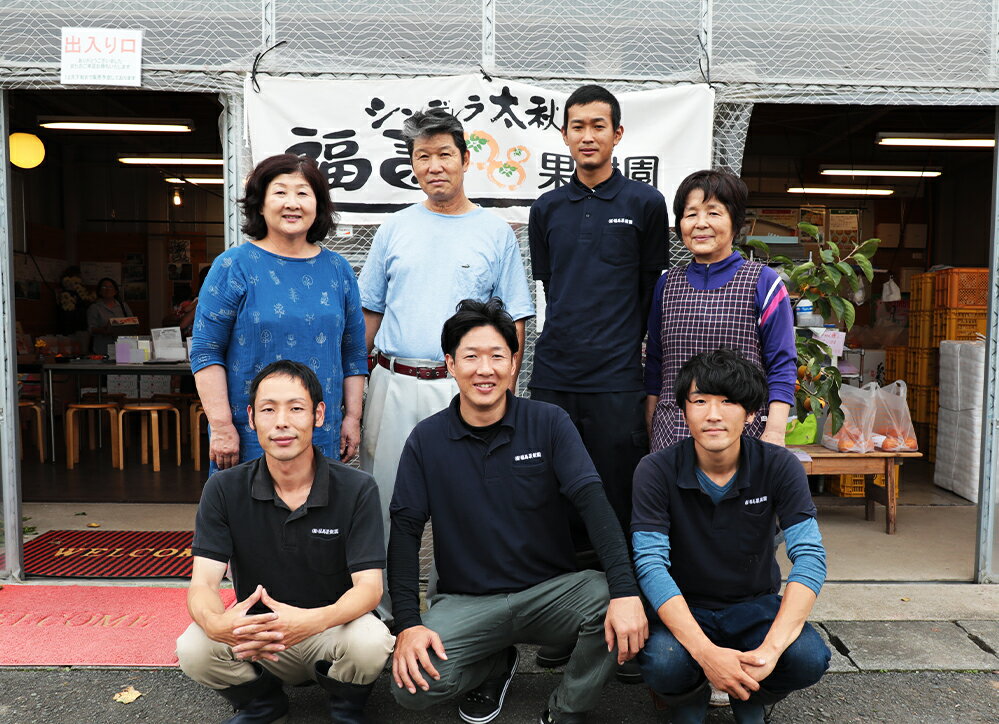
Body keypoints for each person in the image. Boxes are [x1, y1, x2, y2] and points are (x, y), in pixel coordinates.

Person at [388, 298, 647, 724]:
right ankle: (493, 664)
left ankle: (567, 708)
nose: (484, 369)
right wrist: (408, 625)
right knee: (411, 686)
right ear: (451, 364)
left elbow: (594, 505)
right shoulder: (426, 439)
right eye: (471, 356)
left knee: (609, 599)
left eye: (496, 356)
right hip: (468, 600)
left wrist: (625, 591)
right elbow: (404, 532)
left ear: (514, 363)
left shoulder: (549, 422)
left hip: (551, 594)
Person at [357, 108, 534, 619]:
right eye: (422, 157)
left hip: (464, 390)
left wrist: (505, 393)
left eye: (444, 155)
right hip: (393, 380)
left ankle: (454, 615)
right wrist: (356, 389)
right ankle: (385, 614)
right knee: (387, 503)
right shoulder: (393, 229)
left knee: (465, 509)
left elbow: (515, 320)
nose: (434, 166)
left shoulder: (494, 232)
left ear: (464, 159)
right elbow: (370, 312)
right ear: (412, 165)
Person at [527, 84, 667, 675]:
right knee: (552, 502)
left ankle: (628, 631)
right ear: (564, 135)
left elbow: (648, 293)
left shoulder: (645, 203)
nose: (587, 135)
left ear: (618, 135)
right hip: (555, 374)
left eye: (598, 125)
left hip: (616, 379)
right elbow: (550, 286)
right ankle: (561, 628)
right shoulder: (547, 209)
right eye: (577, 125)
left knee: (615, 500)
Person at [176, 360, 394, 724]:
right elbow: (204, 583)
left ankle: (346, 706)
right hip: (260, 634)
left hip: (330, 631)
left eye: (295, 408)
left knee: (371, 641)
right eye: (268, 409)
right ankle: (261, 703)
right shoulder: (224, 488)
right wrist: (214, 623)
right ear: (251, 417)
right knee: (194, 646)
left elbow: (370, 589)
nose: (281, 422)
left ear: (318, 415)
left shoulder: (357, 489)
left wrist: (311, 622)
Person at [632, 349, 830, 723]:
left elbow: (809, 556)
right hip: (685, 607)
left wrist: (770, 651)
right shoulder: (655, 470)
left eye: (728, 402)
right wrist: (707, 654)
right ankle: (688, 696)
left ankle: (750, 693)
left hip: (754, 607)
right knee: (664, 661)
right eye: (700, 401)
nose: (713, 415)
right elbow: (650, 565)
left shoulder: (779, 466)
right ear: (683, 409)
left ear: (752, 413)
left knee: (807, 657)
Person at [191, 153, 367, 474]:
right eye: (280, 192)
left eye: (303, 193)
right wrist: (221, 426)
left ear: (318, 205)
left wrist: (352, 418)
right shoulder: (234, 267)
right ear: (260, 205)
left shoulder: (339, 270)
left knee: (317, 517)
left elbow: (353, 354)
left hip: (320, 431)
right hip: (251, 433)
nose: (292, 203)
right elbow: (206, 352)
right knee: (249, 518)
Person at [646, 169, 797, 452]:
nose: (700, 223)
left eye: (713, 213)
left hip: (741, 433)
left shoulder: (763, 282)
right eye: (691, 214)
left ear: (735, 222)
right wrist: (651, 424)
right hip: (673, 434)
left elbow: (781, 364)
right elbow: (656, 363)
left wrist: (775, 432)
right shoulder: (666, 285)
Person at [87, 277, 135, 355]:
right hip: (103, 347)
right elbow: (91, 329)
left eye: (110, 287)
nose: (107, 289)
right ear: (99, 291)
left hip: (123, 346)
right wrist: (104, 330)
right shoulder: (94, 308)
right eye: (104, 287)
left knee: (123, 364)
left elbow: (132, 322)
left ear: (115, 291)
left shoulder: (123, 306)